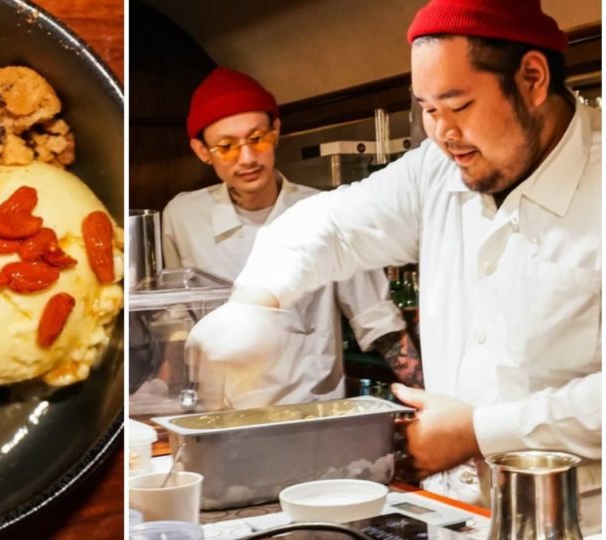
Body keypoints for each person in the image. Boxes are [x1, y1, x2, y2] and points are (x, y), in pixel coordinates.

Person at [188, 0, 601, 532]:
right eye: (427, 109)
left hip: (581, 516)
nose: (442, 132)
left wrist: (482, 429)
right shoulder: (436, 167)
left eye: (458, 105)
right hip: (450, 507)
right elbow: (331, 225)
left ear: (532, 78)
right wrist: (254, 300)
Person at [164, 67, 422, 409]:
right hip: (219, 417)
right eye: (226, 147)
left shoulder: (324, 212)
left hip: (313, 413)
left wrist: (428, 396)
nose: (247, 158)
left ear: (276, 131)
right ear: (202, 150)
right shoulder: (183, 217)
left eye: (258, 138)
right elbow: (173, 324)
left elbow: (380, 324)